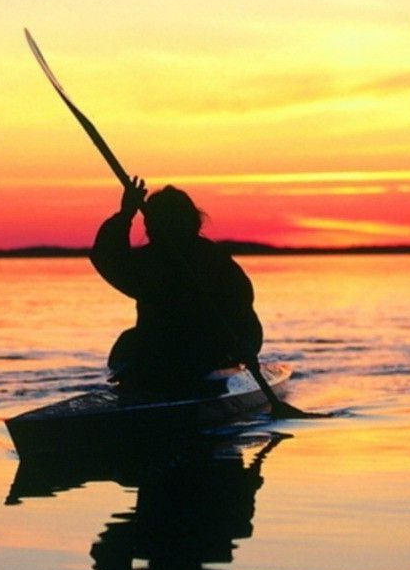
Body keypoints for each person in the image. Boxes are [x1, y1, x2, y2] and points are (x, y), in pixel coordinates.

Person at [90, 176, 293, 416]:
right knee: (129, 343)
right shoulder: (149, 262)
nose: (150, 229)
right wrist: (125, 214)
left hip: (203, 352)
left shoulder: (214, 262)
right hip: (157, 352)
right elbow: (107, 257)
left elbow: (242, 312)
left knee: (149, 348)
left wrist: (247, 348)